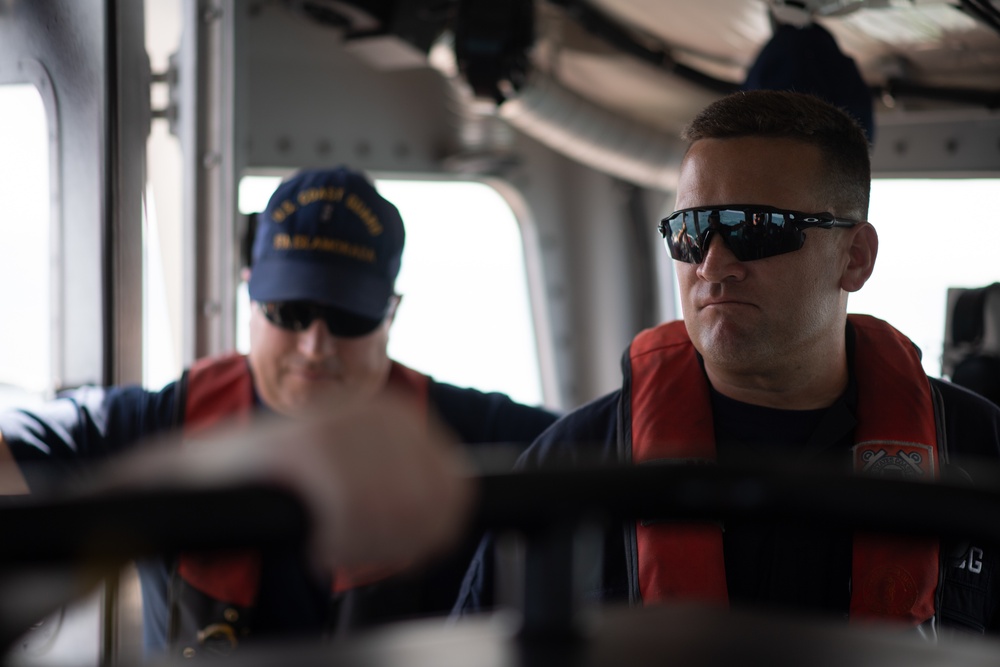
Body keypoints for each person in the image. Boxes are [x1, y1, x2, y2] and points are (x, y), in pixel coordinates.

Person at [454, 90, 1000, 635]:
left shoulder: (979, 451)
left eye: (755, 229)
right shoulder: (572, 465)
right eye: (690, 232)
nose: (713, 265)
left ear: (854, 258)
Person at [0, 166, 558, 656]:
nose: (315, 346)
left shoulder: (469, 430)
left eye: (347, 317)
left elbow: (615, 442)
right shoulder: (161, 421)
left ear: (391, 313)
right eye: (289, 311)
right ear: (250, 298)